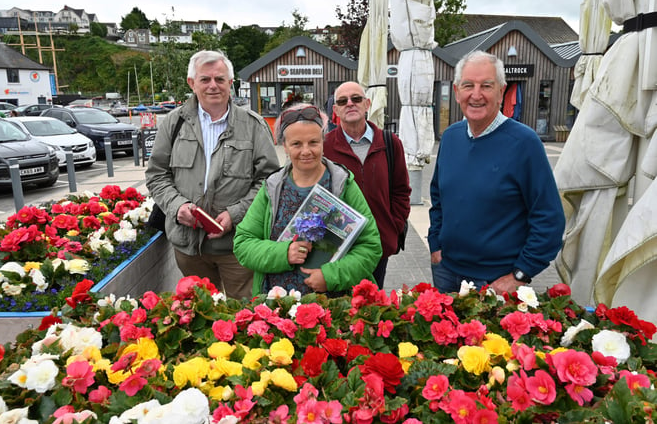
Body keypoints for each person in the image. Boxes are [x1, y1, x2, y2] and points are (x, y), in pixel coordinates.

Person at [145, 50, 280, 300]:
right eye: (205, 79)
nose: (213, 86)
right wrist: (178, 206)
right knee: (199, 317)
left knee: (246, 314)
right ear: (192, 83)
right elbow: (157, 175)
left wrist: (235, 214)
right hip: (189, 248)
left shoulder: (253, 125)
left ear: (231, 83)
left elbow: (269, 181)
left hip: (238, 245)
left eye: (220, 79)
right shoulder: (173, 124)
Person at [428, 50, 565, 294]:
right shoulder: (450, 137)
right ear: (457, 91)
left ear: (502, 91)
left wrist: (521, 273)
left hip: (495, 282)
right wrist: (435, 244)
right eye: (468, 85)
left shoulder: (524, 143)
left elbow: (549, 218)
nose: (476, 95)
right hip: (446, 272)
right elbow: (438, 196)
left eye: (486, 86)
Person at [234, 104, 382, 297]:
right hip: (279, 309)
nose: (306, 151)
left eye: (313, 142)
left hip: (335, 308)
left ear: (323, 141)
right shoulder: (272, 187)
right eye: (296, 144)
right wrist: (284, 253)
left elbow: (370, 246)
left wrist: (330, 276)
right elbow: (243, 243)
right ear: (284, 146)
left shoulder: (342, 184)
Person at [323, 81, 411, 289]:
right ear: (335, 110)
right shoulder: (325, 145)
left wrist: (393, 227)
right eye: (343, 101)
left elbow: (401, 191)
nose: (350, 104)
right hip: (338, 248)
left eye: (356, 99)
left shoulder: (390, 143)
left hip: (378, 244)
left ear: (367, 104)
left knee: (372, 302)